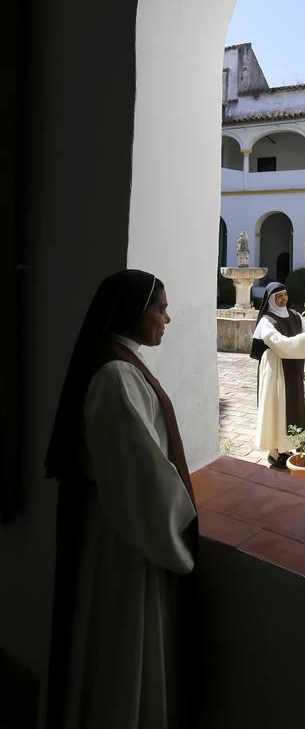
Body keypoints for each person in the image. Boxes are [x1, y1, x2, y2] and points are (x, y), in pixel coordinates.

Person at [44, 270, 199, 729]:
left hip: (114, 525)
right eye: (160, 307)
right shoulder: (116, 375)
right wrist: (184, 524)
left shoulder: (117, 362)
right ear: (133, 311)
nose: (167, 318)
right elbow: (140, 479)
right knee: (120, 645)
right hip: (122, 539)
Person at [250, 281, 305, 468]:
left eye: (285, 295)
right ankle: (273, 453)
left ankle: (284, 448)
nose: (283, 299)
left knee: (291, 406)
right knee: (276, 407)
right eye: (279, 296)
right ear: (271, 300)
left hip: (293, 367)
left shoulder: (295, 316)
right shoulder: (266, 321)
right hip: (275, 368)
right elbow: (280, 343)